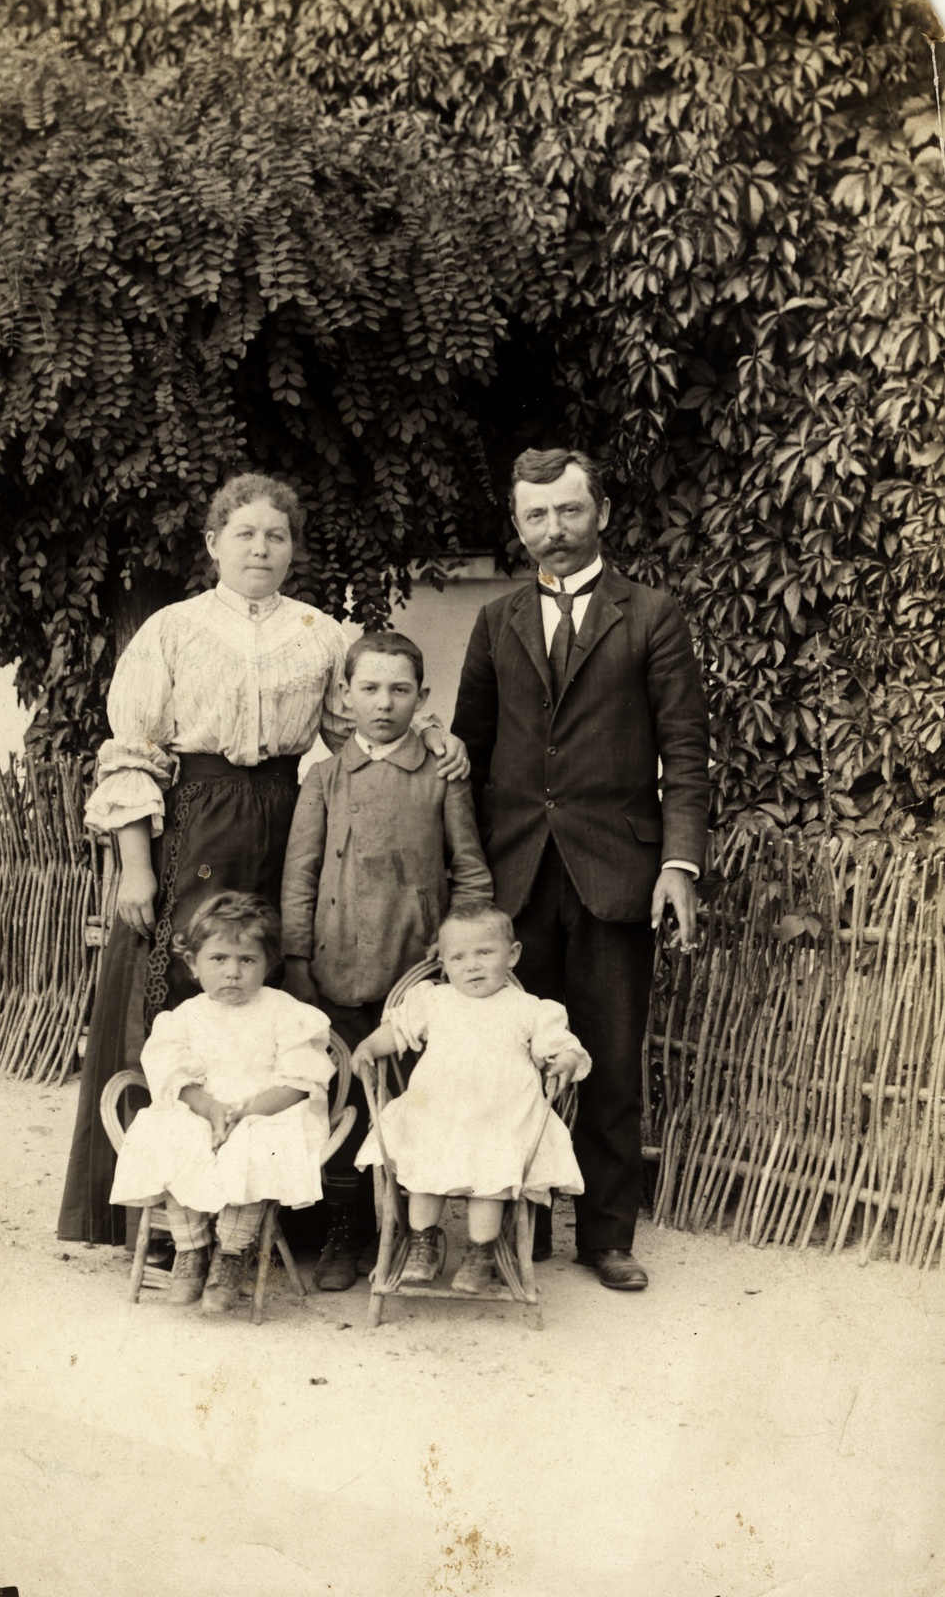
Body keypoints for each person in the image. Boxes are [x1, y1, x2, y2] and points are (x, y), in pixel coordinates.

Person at [58, 472, 467, 1245]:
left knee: (279, 996)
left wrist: (435, 739)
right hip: (194, 825)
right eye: (244, 534)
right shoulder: (173, 629)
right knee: (181, 993)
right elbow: (132, 752)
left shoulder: (320, 633)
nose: (260, 548)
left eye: (276, 536)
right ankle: (171, 1213)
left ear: (292, 549)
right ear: (214, 543)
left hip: (286, 820)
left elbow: (364, 730)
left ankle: (272, 1212)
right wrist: (136, 866)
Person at [451, 447, 710, 1291]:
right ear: (517, 524)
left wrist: (678, 864)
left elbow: (685, 749)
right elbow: (470, 753)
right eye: (536, 515)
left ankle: (607, 1236)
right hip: (516, 875)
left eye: (568, 510)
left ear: (600, 512)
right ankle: (516, 1232)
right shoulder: (495, 620)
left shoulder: (652, 614)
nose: (554, 529)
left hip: (615, 872)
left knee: (609, 1060)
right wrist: (469, 878)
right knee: (510, 1061)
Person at [280, 631, 493, 1290]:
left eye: (400, 690)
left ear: (421, 698)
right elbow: (299, 877)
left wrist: (450, 950)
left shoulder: (442, 776)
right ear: (345, 695)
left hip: (415, 975)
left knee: (410, 1102)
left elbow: (471, 874)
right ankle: (345, 1229)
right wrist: (296, 959)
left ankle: (406, 1230)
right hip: (337, 966)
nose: (383, 703)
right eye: (369, 688)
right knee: (345, 1102)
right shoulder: (323, 778)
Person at [350, 902, 592, 1294]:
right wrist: (367, 1048)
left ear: (512, 955)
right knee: (423, 1160)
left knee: (492, 1169)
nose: (472, 966)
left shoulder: (529, 1008)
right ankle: (422, 1241)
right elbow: (397, 1031)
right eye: (459, 957)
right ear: (443, 964)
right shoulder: (434, 1000)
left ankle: (482, 1249)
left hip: (502, 1117)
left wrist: (563, 1060)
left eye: (485, 952)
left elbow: (562, 1046)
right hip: (439, 1113)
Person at [109, 893, 333, 1314]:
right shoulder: (185, 1016)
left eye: (247, 960)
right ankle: (191, 1248)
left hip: (266, 1111)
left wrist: (245, 1114)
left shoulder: (285, 1012)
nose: (233, 971)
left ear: (268, 963)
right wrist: (211, 1110)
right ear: (193, 964)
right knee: (170, 1132)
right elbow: (174, 1075)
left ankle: (231, 1254)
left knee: (255, 1144)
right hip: (203, 1109)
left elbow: (299, 1081)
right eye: (218, 959)